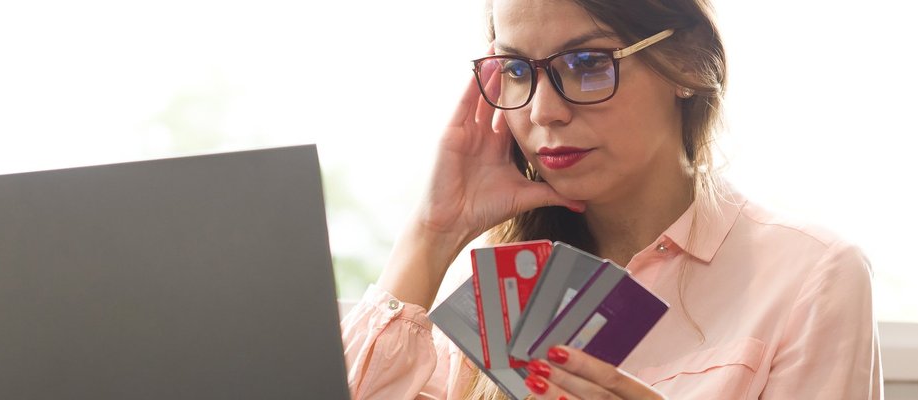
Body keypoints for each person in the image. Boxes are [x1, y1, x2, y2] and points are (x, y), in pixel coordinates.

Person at [340, 0, 883, 398]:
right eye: (516, 70)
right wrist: (432, 232)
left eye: (587, 64)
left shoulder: (811, 277)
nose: (543, 111)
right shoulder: (478, 281)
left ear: (687, 65)